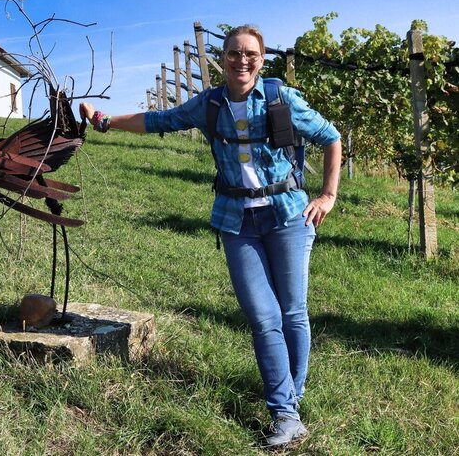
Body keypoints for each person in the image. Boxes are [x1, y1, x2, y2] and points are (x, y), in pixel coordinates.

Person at [80, 25, 341, 449]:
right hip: (237, 221)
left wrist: (328, 195)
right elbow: (158, 120)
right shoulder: (210, 104)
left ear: (261, 59)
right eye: (234, 53)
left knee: (292, 311)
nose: (242, 60)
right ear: (222, 58)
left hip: (288, 215)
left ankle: (292, 400)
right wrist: (106, 121)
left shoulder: (280, 99)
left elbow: (331, 137)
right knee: (263, 317)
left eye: (251, 54)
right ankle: (286, 413)